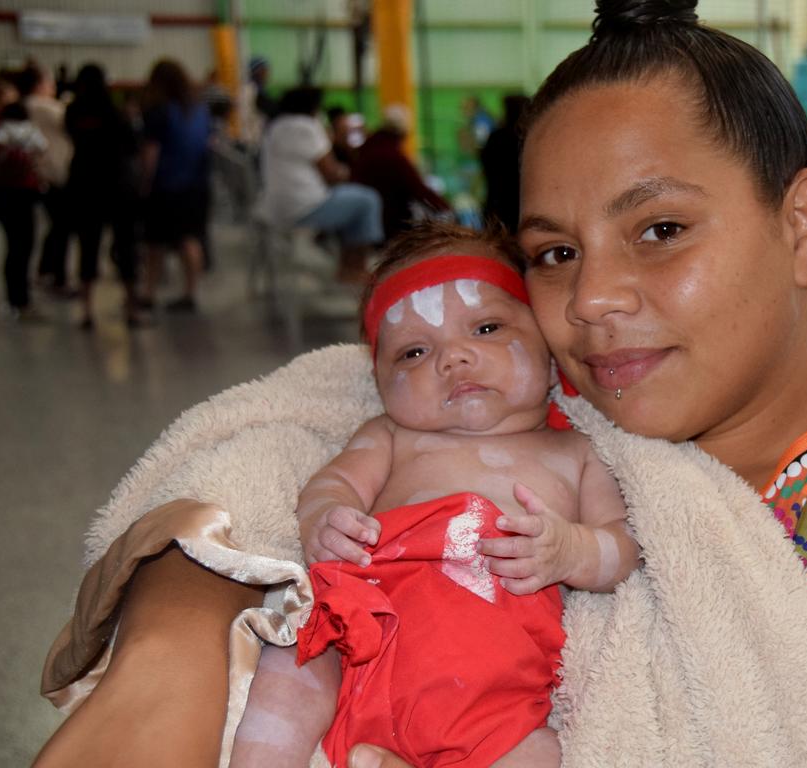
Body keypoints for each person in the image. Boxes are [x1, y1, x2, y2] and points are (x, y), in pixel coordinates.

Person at [34, 1, 807, 766]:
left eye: (660, 230)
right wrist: (172, 646)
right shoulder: (547, 397)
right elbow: (281, 436)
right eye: (556, 251)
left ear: (802, 226)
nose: (591, 299)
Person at [229, 223, 635, 768]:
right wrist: (325, 517)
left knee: (539, 753)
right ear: (377, 379)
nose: (454, 359)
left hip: (491, 680)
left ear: (548, 346)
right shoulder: (392, 435)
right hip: (367, 628)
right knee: (291, 659)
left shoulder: (576, 453)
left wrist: (571, 552)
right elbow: (336, 481)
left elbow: (622, 546)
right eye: (414, 353)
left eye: (487, 327)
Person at [256, 86, 382, 283]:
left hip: (273, 207)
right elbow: (331, 173)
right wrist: (348, 169)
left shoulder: (276, 126)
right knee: (368, 200)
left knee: (353, 199)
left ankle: (347, 266)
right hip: (303, 207)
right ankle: (353, 268)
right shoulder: (308, 126)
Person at [64, 64, 141, 329]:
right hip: (117, 187)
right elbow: (132, 146)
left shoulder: (73, 112)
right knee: (126, 249)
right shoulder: (116, 113)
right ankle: (132, 308)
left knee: (87, 250)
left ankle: (86, 311)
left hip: (85, 187)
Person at [139, 59, 211, 313]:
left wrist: (144, 182)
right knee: (190, 239)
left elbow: (151, 152)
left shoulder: (158, 111)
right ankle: (191, 291)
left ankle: (148, 291)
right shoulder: (199, 110)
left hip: (166, 184)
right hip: (196, 184)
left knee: (154, 242)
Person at [0, 98, 47, 322]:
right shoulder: (29, 131)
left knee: (13, 247)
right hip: (24, 195)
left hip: (2, 196)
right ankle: (22, 300)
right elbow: (42, 149)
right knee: (24, 247)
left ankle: (13, 299)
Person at [351, 104, 451, 242]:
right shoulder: (392, 155)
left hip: (368, 217)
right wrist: (446, 208)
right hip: (387, 223)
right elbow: (418, 188)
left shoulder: (371, 146)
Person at [17, 61, 74, 295]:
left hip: (45, 172)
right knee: (62, 226)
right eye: (48, 82)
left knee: (57, 226)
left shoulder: (26, 106)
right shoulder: (41, 106)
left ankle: (47, 269)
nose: (52, 86)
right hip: (54, 173)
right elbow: (69, 118)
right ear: (38, 85)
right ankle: (56, 276)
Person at [480, 93, 530, 234]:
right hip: (518, 201)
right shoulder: (525, 137)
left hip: (497, 201)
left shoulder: (497, 137)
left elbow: (485, 164)